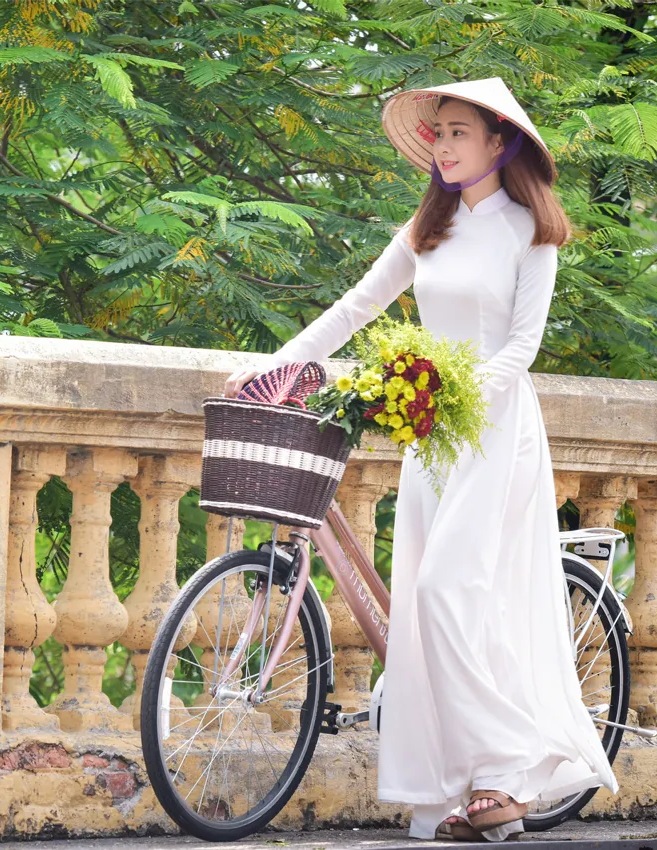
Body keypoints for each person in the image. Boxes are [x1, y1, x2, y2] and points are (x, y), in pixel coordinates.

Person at [224, 77, 619, 842]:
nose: (442, 145)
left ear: (500, 144)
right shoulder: (426, 229)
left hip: (497, 435)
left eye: (458, 133)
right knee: (435, 607)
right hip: (433, 443)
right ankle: (465, 789)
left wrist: (458, 397)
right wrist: (275, 367)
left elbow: (521, 349)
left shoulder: (531, 233)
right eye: (437, 133)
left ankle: (506, 770)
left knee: (446, 591)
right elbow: (354, 308)